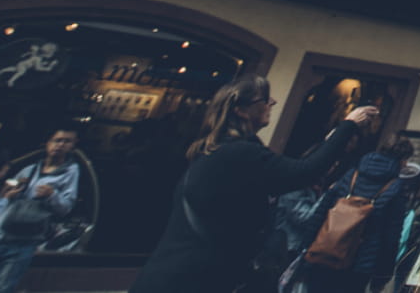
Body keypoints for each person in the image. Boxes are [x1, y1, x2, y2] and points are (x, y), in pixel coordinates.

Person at [131, 76, 377, 293]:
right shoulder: (242, 155)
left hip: (175, 274)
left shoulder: (221, 151)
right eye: (265, 99)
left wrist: (332, 140)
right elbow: (304, 172)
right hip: (190, 280)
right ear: (241, 109)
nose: (272, 103)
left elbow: (290, 170)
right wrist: (348, 125)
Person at [302, 141, 414, 293]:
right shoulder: (396, 188)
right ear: (402, 160)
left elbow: (322, 211)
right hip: (360, 264)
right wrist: (382, 276)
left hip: (325, 252)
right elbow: (391, 237)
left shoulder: (351, 174)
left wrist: (306, 246)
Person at [0, 124, 81, 293]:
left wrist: (51, 195)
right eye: (57, 140)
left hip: (25, 241)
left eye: (66, 141)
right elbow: (3, 198)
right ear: (48, 143)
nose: (60, 145)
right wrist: (10, 191)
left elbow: (65, 208)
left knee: (3, 288)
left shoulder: (71, 172)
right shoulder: (29, 169)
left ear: (73, 146)